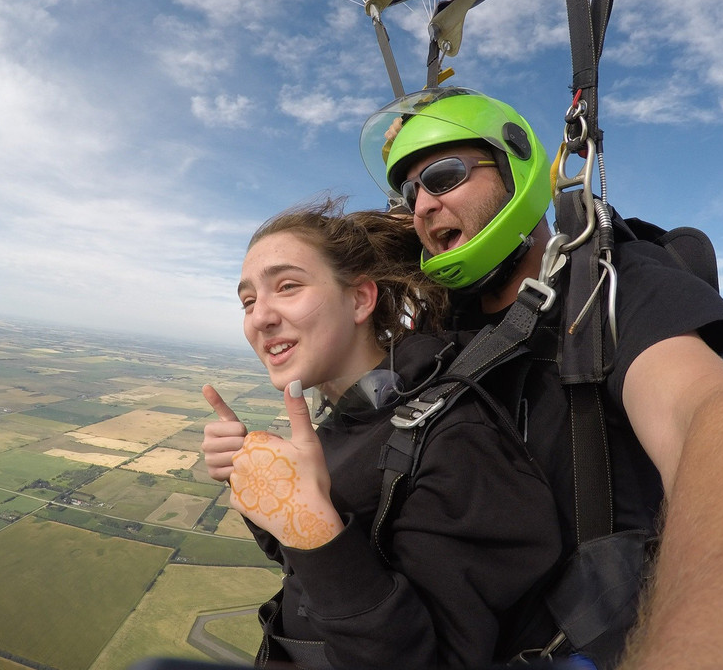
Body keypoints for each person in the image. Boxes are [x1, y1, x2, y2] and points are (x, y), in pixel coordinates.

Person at [359, 87, 723, 670]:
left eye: (443, 176)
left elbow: (712, 415)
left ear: (513, 168)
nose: (421, 205)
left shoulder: (611, 287)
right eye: (409, 191)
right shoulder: (443, 328)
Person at [200, 199, 565, 669]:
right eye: (248, 300)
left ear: (359, 299)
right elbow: (314, 565)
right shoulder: (353, 419)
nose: (260, 317)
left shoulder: (455, 438)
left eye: (287, 287)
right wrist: (261, 488)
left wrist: (311, 529)